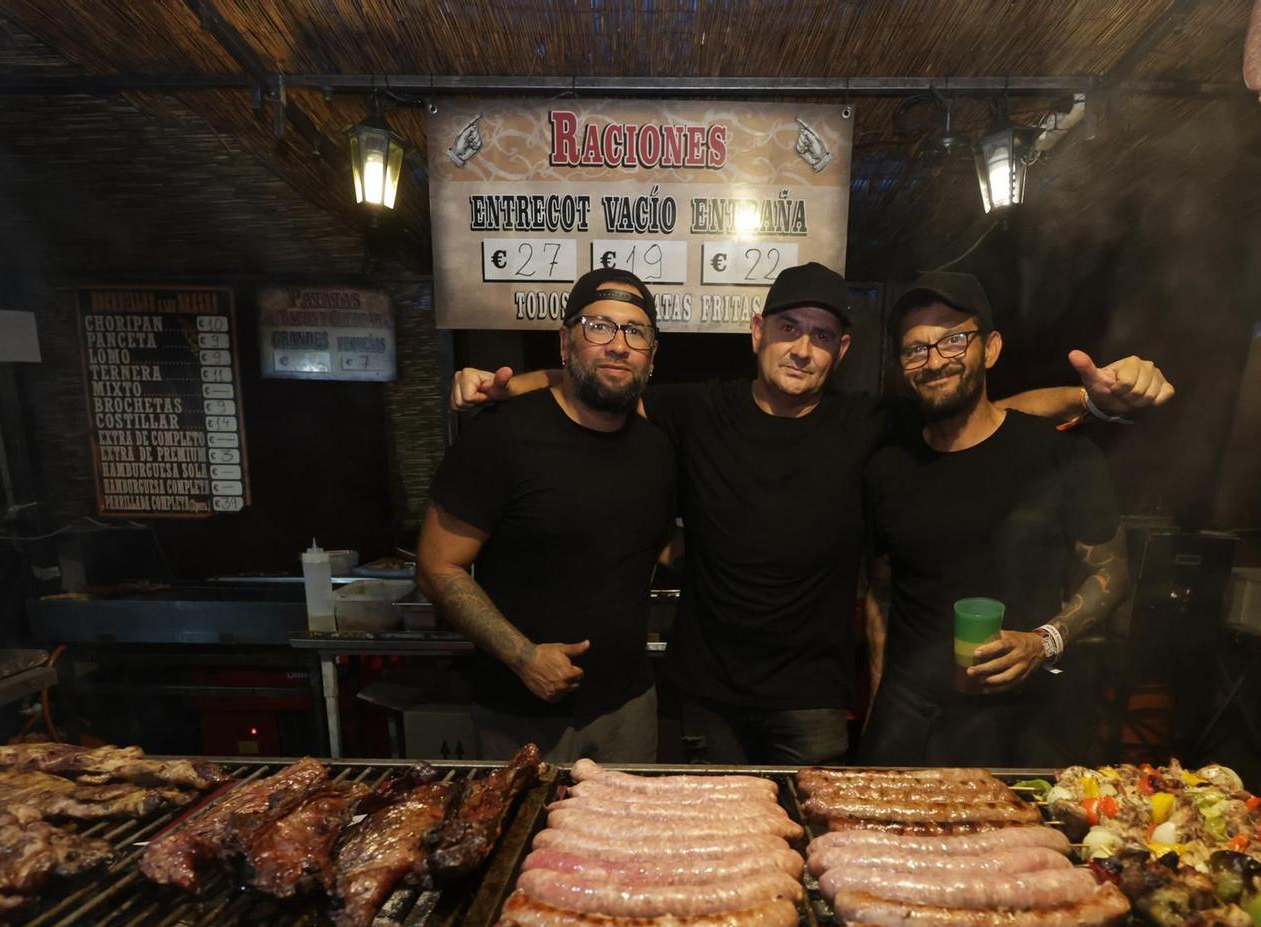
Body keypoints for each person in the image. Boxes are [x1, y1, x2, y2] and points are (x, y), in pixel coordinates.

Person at [448, 263, 1171, 765]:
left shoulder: (869, 422)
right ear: (756, 331)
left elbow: (992, 413)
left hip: (814, 701)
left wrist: (1094, 400)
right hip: (708, 692)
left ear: (842, 350)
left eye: (822, 335)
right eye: (789, 327)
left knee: (804, 857)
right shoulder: (695, 409)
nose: (802, 348)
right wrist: (502, 387)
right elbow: (599, 382)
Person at [861, 271, 1131, 767]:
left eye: (953, 340)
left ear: (990, 348)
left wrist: (1044, 642)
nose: (933, 361)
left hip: (1019, 724)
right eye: (915, 349)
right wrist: (880, 699)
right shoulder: (887, 467)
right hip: (908, 722)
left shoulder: (1062, 456)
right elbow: (880, 589)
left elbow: (1111, 571)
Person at [416, 268, 675, 763]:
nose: (618, 346)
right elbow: (436, 567)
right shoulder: (501, 435)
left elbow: (653, 542)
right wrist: (523, 657)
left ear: (652, 354)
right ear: (565, 341)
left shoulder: (658, 446)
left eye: (635, 332)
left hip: (629, 710)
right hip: (518, 715)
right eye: (599, 327)